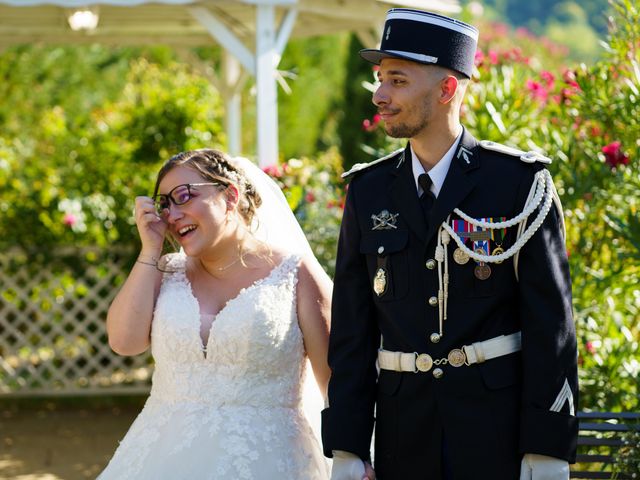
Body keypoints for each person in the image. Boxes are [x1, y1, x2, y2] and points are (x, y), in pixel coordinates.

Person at [322, 8, 578, 480]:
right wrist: (347, 447)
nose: (379, 95)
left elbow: (552, 327)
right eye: (380, 79)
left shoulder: (518, 184)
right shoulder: (368, 190)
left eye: (397, 80)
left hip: (494, 438)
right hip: (403, 441)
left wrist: (546, 452)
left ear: (446, 89)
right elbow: (352, 335)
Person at [98, 149, 332, 479]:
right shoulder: (165, 272)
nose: (172, 214)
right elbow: (123, 342)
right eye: (165, 204)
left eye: (183, 196)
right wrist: (150, 249)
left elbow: (337, 384)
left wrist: (353, 458)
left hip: (269, 461)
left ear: (230, 195)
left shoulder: (295, 274)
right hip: (158, 459)